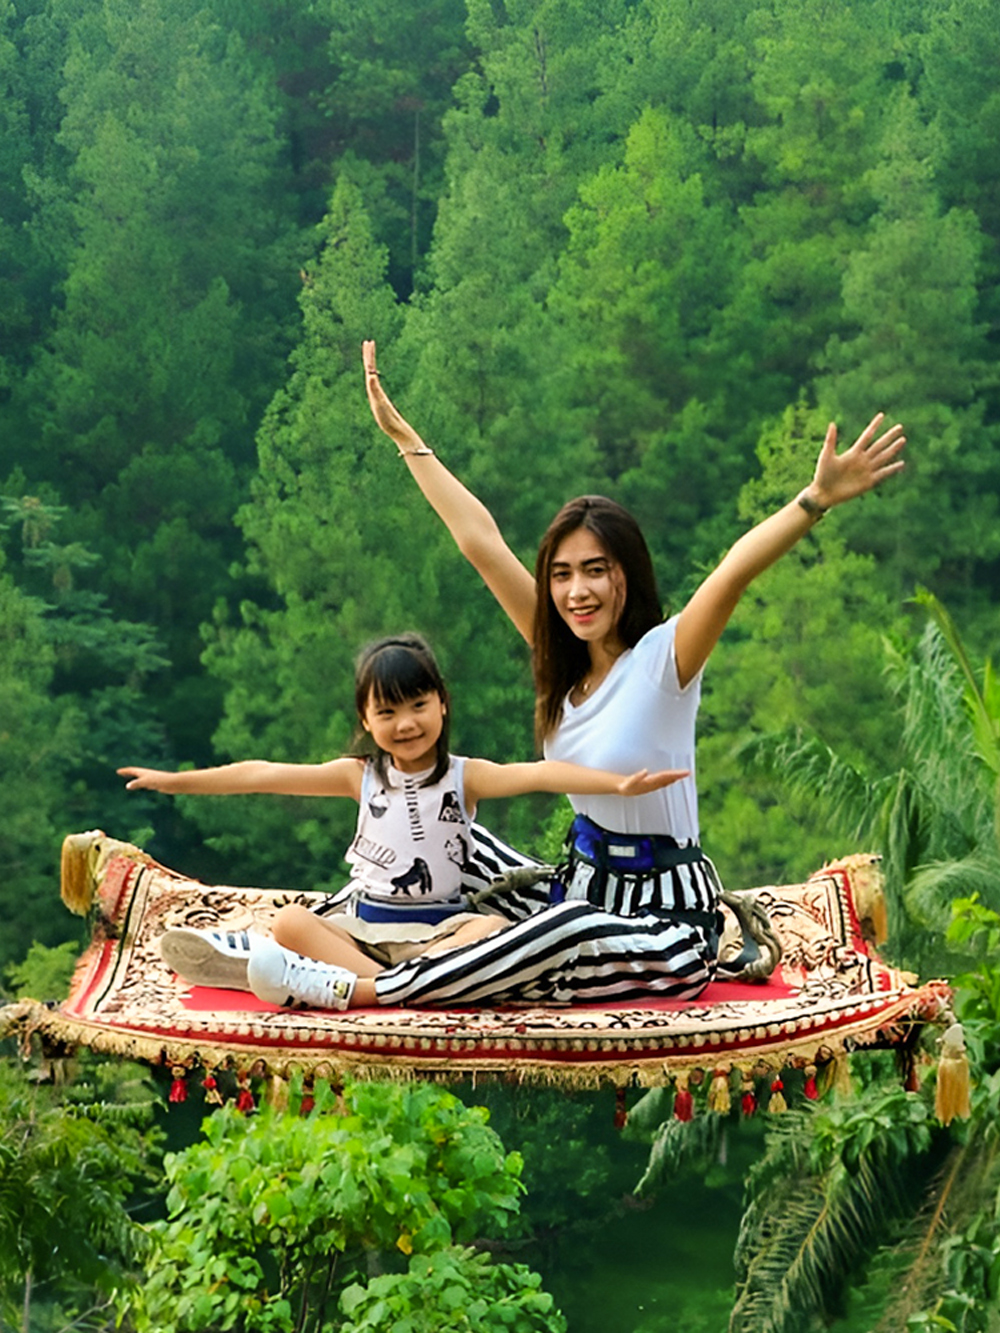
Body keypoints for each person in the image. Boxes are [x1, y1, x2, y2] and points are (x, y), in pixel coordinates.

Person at [342, 338, 907, 1008]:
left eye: (594, 570)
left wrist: (815, 498)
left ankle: (372, 986)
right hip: (581, 885)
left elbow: (733, 570)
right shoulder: (559, 661)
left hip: (665, 926)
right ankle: (335, 931)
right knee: (426, 819)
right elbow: (480, 542)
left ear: (625, 576)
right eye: (561, 574)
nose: (576, 591)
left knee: (564, 930)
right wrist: (404, 436)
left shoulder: (665, 661)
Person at [119, 633, 687, 1010]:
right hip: (363, 932)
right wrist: (174, 781)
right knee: (292, 920)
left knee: (487, 933)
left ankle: (319, 984)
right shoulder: (358, 776)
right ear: (366, 721)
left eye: (417, 705)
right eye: (387, 712)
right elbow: (261, 774)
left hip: (438, 935)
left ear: (442, 703)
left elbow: (540, 774)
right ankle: (325, 975)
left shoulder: (468, 776)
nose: (406, 723)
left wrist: (618, 785)